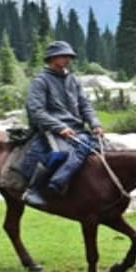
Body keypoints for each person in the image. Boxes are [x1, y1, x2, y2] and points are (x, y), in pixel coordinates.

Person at [22, 40, 104, 208]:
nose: (68, 59)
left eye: (69, 56)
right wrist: (60, 127)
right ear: (52, 58)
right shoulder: (40, 81)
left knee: (104, 149)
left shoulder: (73, 80)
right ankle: (35, 189)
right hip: (50, 129)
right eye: (63, 56)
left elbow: (85, 105)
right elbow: (37, 111)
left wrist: (95, 123)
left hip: (76, 128)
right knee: (61, 153)